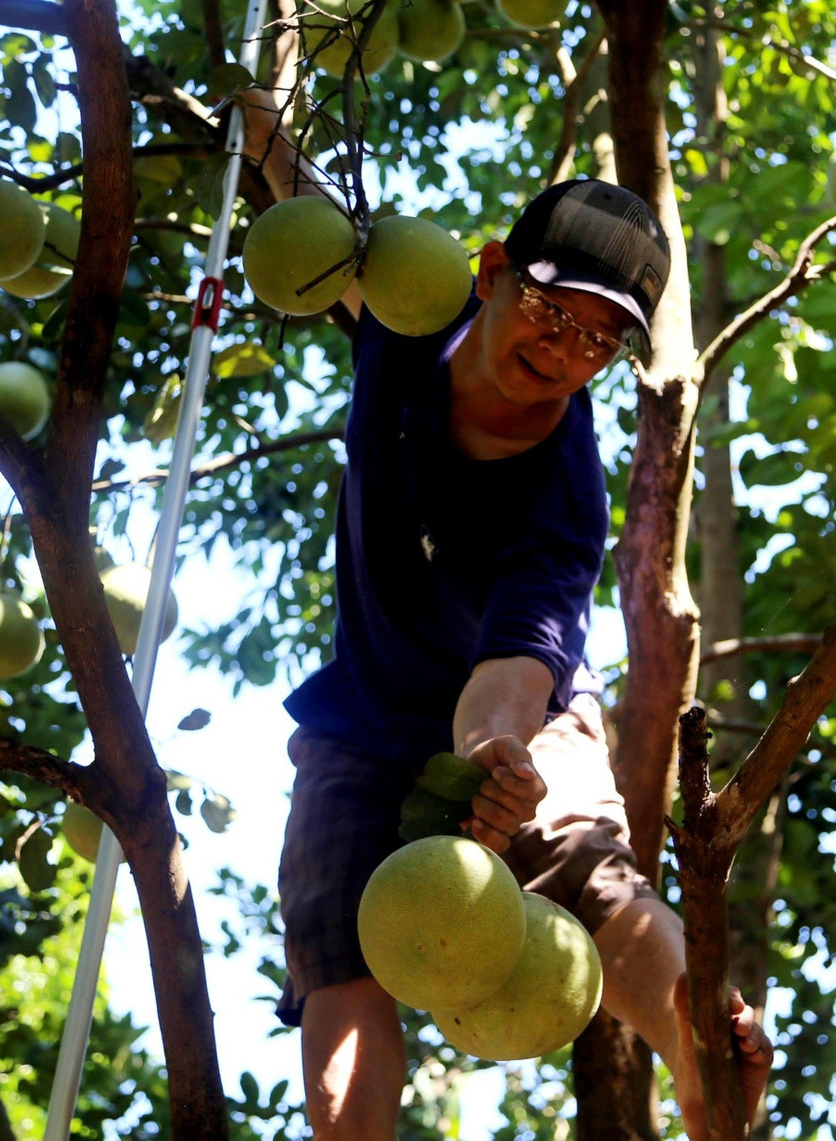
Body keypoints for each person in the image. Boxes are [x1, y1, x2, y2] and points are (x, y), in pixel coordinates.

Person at [243, 103, 773, 1139]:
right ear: (490, 274)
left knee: (582, 861)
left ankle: (706, 1063)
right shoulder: (408, 308)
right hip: (362, 713)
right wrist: (259, 118)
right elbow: (310, 216)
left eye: (599, 339)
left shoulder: (563, 501)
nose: (567, 346)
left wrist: (494, 749)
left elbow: (520, 665)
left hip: (523, 719)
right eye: (552, 307)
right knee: (334, 923)